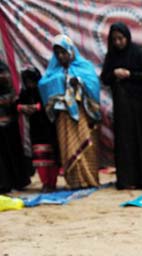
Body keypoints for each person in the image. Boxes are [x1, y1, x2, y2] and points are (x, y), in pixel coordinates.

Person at [101, 22, 142, 189]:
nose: (118, 42)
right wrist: (113, 73)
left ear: (127, 37)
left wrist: (130, 75)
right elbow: (104, 78)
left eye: (121, 38)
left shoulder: (139, 53)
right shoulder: (112, 56)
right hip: (122, 108)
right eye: (115, 40)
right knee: (125, 143)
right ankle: (128, 180)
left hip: (141, 107)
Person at [39, 34, 101, 189]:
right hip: (64, 116)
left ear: (71, 51)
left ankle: (88, 179)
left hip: (82, 113)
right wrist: (60, 81)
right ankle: (74, 181)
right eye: (57, 53)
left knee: (86, 144)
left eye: (63, 52)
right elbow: (43, 85)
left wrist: (79, 82)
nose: (61, 56)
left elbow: (93, 85)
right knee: (68, 146)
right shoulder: (54, 71)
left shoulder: (84, 67)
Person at [17, 68, 59, 192]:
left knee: (51, 156)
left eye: (32, 81)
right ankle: (45, 183)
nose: (30, 84)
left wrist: (38, 107)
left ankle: (52, 182)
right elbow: (17, 103)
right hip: (35, 129)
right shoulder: (25, 92)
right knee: (40, 157)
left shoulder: (44, 90)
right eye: (27, 81)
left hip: (48, 127)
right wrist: (22, 107)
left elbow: (50, 103)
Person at [0, 61, 30, 193]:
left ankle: (15, 182)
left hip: (6, 117)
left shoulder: (2, 67)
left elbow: (8, 88)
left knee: (9, 151)